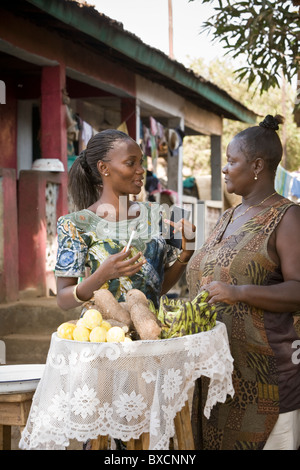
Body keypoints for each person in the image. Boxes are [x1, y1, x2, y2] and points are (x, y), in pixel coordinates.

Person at [187, 114, 300, 450]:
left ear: (257, 166)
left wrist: (238, 293)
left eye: (231, 161)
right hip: (219, 380)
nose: (224, 169)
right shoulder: (228, 216)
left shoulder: (287, 217)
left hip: (266, 381)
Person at [55, 129, 195, 313]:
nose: (141, 170)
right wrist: (101, 275)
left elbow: (157, 288)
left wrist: (186, 253)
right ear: (103, 168)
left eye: (141, 162)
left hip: (150, 332)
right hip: (103, 335)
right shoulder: (75, 225)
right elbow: (63, 300)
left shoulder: (158, 214)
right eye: (131, 163)